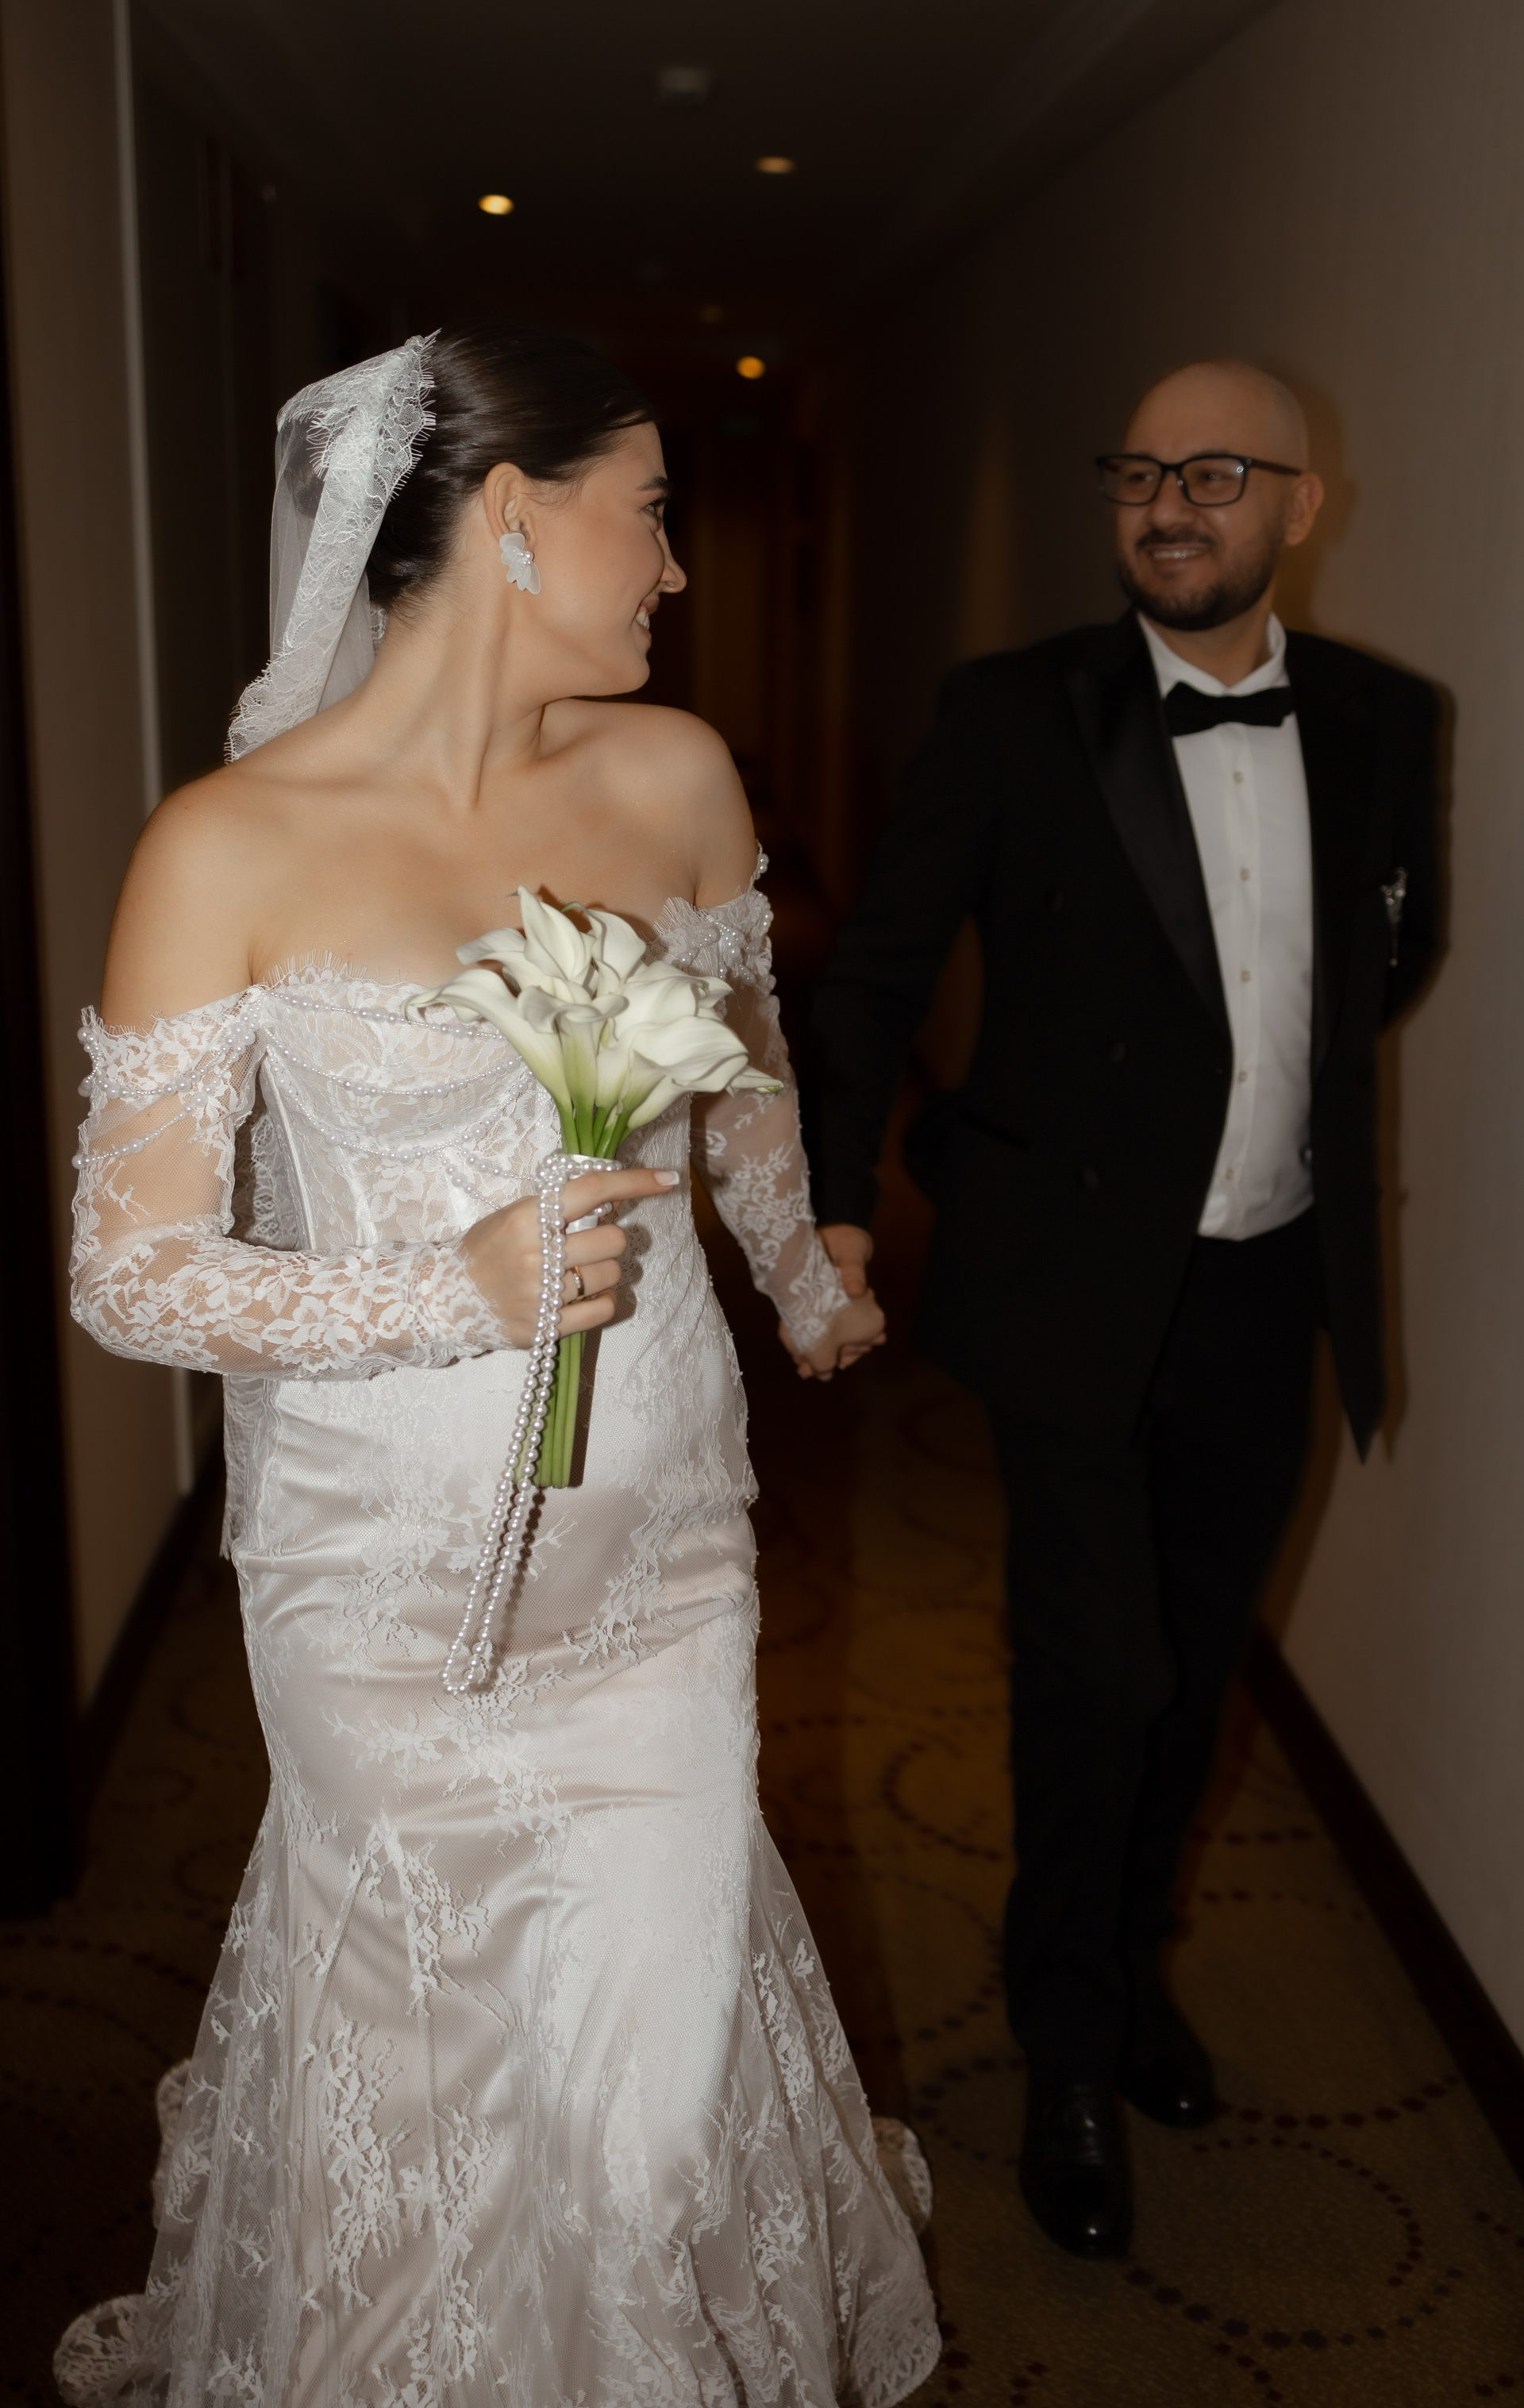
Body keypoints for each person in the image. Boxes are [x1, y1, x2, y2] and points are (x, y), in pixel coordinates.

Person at [56, 323, 937, 2406]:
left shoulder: (680, 776)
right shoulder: (225, 848)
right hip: (377, 1588)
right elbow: (130, 1268)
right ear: (517, 517)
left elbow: (739, 1075)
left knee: (646, 2101)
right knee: (430, 2081)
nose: (678, 568)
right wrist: (447, 1289)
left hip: (660, 1557)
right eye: (652, 515)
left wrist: (795, 1273)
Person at [810, 360, 1440, 2259]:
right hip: (1071, 1277)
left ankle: (1130, 1963)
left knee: (1197, 1656)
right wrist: (834, 1202)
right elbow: (873, 969)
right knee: (1100, 1670)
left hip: (1268, 1278)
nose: (1169, 503)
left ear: (1300, 506)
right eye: (1141, 471)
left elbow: (1389, 952)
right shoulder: (1015, 713)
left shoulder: (1386, 717)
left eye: (1216, 472)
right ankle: (1070, 2041)